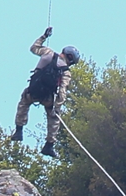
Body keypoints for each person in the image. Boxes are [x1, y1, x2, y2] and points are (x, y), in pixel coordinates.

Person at [11, 27, 80, 156]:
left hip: (32, 92)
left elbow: (33, 48)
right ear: (71, 61)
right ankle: (49, 145)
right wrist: (57, 107)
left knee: (23, 103)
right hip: (48, 98)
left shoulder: (47, 52)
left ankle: (19, 131)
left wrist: (44, 36)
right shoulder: (66, 71)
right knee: (54, 118)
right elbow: (62, 91)